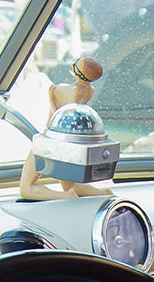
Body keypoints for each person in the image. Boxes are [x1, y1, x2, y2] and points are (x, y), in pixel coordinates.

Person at [19, 57, 111, 200]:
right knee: (71, 184)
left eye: (75, 65)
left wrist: (52, 90)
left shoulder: (66, 90)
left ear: (78, 72)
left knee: (26, 187)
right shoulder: (89, 90)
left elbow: (57, 99)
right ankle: (101, 193)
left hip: (52, 141)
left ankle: (64, 197)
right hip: (71, 145)